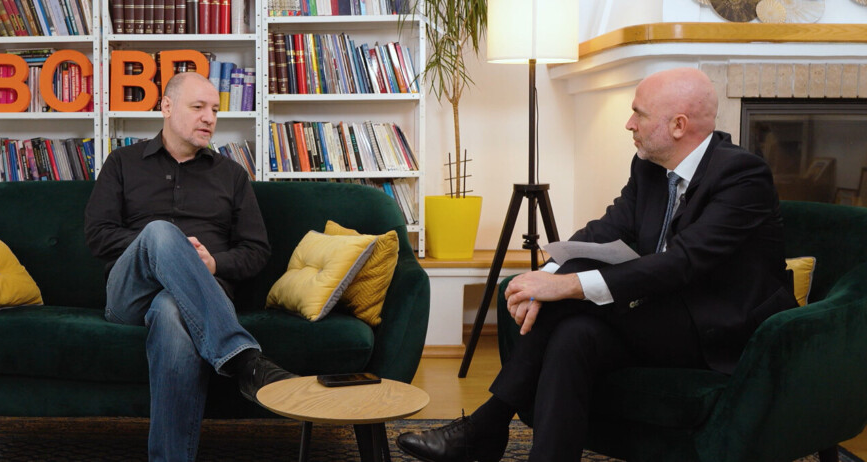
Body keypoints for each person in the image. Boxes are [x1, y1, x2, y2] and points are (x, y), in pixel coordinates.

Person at [396, 67, 797, 461]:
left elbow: (682, 262)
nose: (629, 124)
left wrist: (565, 287)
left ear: (678, 125)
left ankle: (486, 426)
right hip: (663, 315)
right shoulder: (649, 167)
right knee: (574, 335)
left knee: (567, 303)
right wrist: (546, 276)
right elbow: (606, 230)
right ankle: (511, 441)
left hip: (722, 330)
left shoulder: (742, 175)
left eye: (638, 113)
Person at [84, 72, 296, 461]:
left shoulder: (232, 175)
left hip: (200, 295)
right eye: (198, 107)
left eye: (214, 110)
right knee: (160, 232)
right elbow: (98, 235)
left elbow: (255, 250)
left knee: (171, 310)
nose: (209, 118)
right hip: (130, 294)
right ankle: (244, 359)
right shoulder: (122, 163)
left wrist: (212, 263)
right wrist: (163, 248)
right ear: (166, 107)